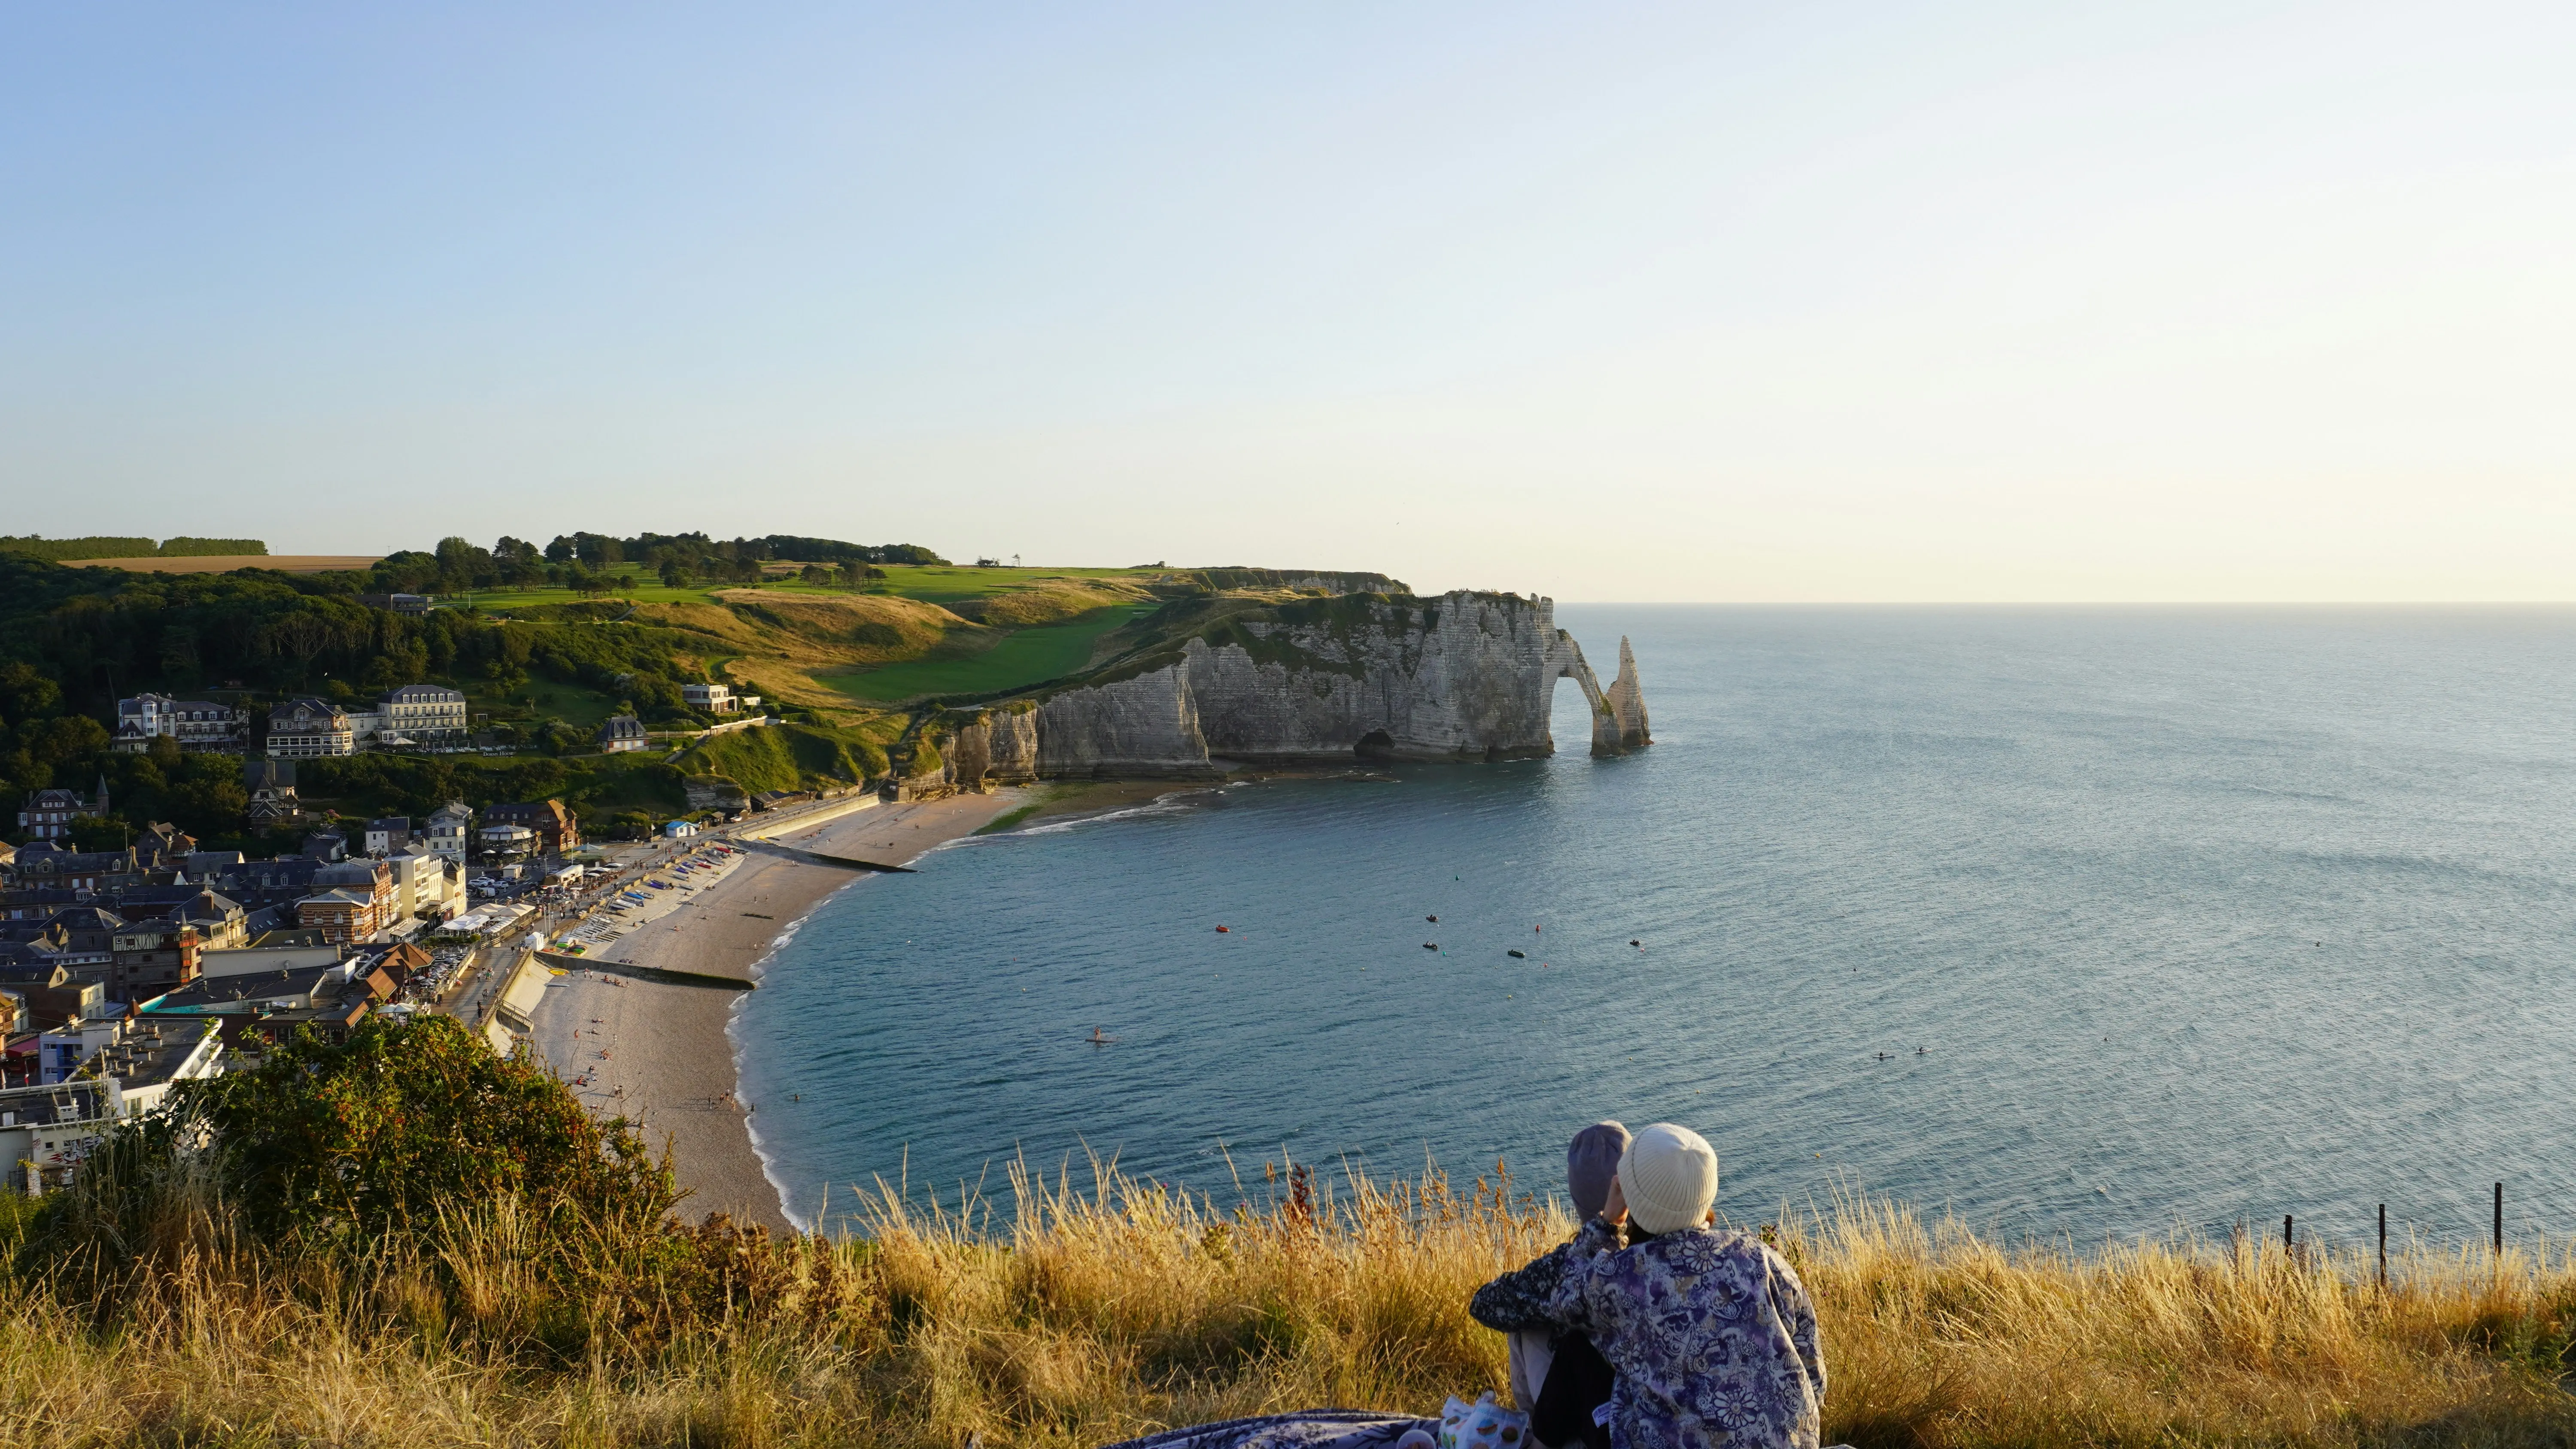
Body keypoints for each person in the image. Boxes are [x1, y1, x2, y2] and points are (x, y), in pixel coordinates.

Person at [1547, 1124, 1825, 1449]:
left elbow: (1563, 1300)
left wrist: (1607, 1223)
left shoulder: (1621, 1276)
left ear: (1628, 1195)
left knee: (1581, 1345)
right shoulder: (1760, 1258)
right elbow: (1813, 1369)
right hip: (1793, 1442)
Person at [1469, 1122, 1630, 1447]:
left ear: (1576, 1197)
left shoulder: (1561, 1267)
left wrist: (1555, 1307)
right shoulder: (1656, 1253)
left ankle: (1536, 1434)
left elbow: (1483, 1303)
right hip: (1645, 1419)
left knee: (1521, 1320)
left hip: (1586, 1423)